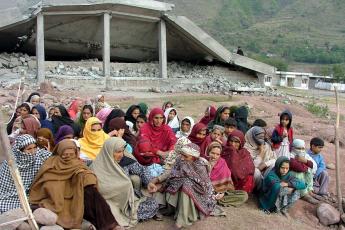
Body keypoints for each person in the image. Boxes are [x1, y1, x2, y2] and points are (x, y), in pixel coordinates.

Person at [29, 139, 119, 229]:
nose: (68, 157)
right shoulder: (51, 164)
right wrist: (57, 187)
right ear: (59, 153)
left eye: (71, 154)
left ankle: (108, 225)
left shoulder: (77, 162)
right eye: (65, 154)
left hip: (75, 192)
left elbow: (84, 171)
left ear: (75, 153)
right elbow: (46, 181)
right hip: (57, 198)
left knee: (92, 194)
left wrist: (86, 178)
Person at [91, 137, 159, 227]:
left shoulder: (125, 161)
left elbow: (142, 170)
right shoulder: (97, 166)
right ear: (108, 151)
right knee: (104, 212)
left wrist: (149, 182)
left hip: (127, 201)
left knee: (153, 204)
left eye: (123, 151)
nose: (122, 155)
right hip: (108, 202)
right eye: (118, 152)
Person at [158, 143, 216, 229]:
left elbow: (204, 186)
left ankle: (182, 220)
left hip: (198, 191)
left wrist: (185, 181)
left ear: (193, 157)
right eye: (182, 154)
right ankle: (175, 210)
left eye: (185, 156)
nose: (182, 158)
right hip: (179, 184)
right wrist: (160, 181)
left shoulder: (200, 166)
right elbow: (173, 173)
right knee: (181, 183)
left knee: (186, 184)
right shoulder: (180, 159)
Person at [0, 135, 51, 213]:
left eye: (34, 147)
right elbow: (5, 187)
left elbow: (54, 158)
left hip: (31, 194)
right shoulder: (10, 163)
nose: (33, 151)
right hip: (11, 195)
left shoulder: (39, 156)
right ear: (20, 151)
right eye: (29, 149)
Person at [207, 142, 248, 207]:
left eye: (217, 154)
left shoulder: (222, 162)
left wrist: (222, 193)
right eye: (212, 153)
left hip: (222, 192)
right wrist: (210, 167)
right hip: (207, 191)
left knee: (244, 195)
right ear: (208, 152)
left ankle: (216, 199)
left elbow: (227, 182)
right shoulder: (203, 162)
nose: (214, 156)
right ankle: (213, 199)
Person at [289, 139, 318, 204]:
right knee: (299, 173)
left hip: (301, 173)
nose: (301, 151)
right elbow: (298, 167)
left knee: (309, 171)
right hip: (290, 177)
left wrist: (305, 161)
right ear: (293, 148)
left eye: (303, 148)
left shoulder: (305, 155)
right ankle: (303, 194)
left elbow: (314, 165)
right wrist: (307, 165)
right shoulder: (290, 155)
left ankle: (309, 190)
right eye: (299, 148)